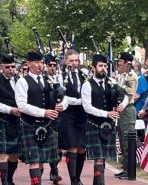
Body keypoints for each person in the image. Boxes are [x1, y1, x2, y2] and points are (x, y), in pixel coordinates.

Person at [15, 50, 66, 185]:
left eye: (41, 62)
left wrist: (62, 105)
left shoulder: (48, 80)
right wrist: (43, 112)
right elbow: (21, 106)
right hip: (30, 125)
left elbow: (61, 97)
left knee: (42, 160)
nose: (40, 65)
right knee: (35, 160)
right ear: (28, 63)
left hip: (47, 125)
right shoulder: (22, 82)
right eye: (37, 62)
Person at [81, 54, 127, 185]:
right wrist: (106, 114)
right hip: (94, 124)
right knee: (99, 158)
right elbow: (87, 107)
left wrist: (122, 105)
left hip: (108, 126)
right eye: (100, 66)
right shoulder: (87, 85)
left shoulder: (111, 82)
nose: (103, 68)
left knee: (102, 158)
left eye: (105, 66)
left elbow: (125, 96)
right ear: (93, 68)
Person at [0, 54, 20, 185]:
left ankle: (10, 179)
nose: (11, 69)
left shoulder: (18, 80)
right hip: (0, 120)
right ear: (1, 67)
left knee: (14, 154)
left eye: (13, 67)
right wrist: (10, 109)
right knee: (2, 153)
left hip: (16, 121)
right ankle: (4, 182)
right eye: (7, 67)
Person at [58, 50, 87, 185]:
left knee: (82, 147)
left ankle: (78, 177)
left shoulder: (84, 75)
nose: (74, 63)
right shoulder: (61, 76)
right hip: (69, 114)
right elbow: (63, 97)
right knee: (72, 147)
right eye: (71, 61)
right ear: (65, 62)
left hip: (83, 114)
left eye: (76, 60)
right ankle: (73, 180)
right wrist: (81, 101)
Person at [114, 52, 137, 180]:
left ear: (127, 63)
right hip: (122, 111)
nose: (118, 63)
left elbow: (128, 95)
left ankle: (130, 170)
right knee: (123, 141)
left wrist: (122, 106)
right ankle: (125, 168)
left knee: (128, 141)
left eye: (121, 61)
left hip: (127, 110)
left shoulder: (130, 76)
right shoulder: (121, 75)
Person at [45, 54, 63, 184]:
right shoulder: (42, 79)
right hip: (44, 116)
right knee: (46, 146)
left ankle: (54, 170)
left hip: (59, 116)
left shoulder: (60, 79)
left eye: (54, 65)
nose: (52, 68)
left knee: (58, 147)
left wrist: (63, 105)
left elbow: (65, 97)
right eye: (50, 65)